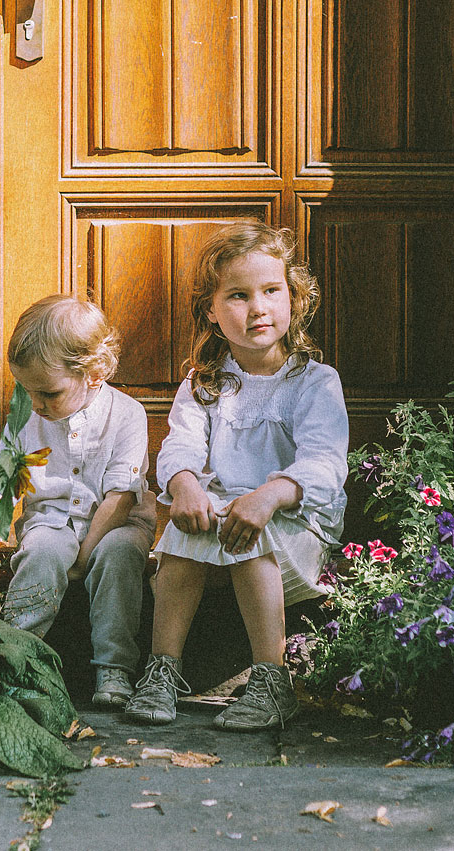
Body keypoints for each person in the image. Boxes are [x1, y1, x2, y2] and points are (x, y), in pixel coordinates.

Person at [125, 221, 348, 731]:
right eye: (239, 296)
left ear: (293, 297)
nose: (258, 308)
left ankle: (272, 680)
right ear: (212, 310)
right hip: (225, 515)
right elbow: (180, 442)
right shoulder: (206, 383)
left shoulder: (314, 383)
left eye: (272, 291)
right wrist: (183, 484)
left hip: (296, 524)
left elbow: (325, 463)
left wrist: (271, 494)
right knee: (184, 535)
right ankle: (163, 671)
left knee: (250, 532)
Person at [0, 294, 156, 709]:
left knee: (119, 555)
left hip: (118, 521)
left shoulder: (127, 414)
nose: (35, 403)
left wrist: (84, 556)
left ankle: (115, 666)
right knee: (39, 551)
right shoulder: (27, 415)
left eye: (49, 393)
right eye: (26, 390)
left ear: (94, 373)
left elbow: (121, 498)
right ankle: (12, 654)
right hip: (52, 520)